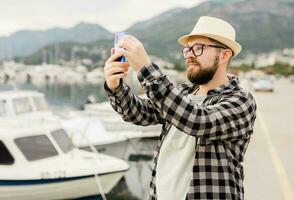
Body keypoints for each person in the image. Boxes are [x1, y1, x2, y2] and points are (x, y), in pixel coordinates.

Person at [103, 16, 257, 200]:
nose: (190, 55)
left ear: (224, 55)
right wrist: (115, 86)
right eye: (188, 49)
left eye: (199, 48)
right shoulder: (181, 93)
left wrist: (145, 68)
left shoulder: (241, 101)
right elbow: (138, 114)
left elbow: (198, 121)